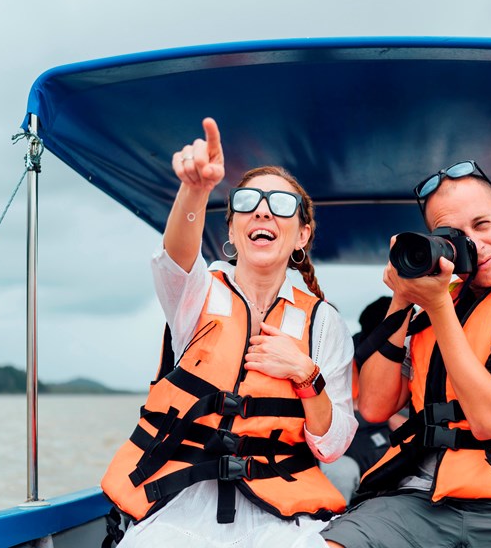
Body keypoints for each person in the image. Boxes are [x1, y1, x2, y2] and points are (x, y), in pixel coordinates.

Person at [101, 117, 357, 548]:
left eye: (280, 204)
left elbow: (332, 446)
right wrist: (197, 189)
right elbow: (174, 256)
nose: (263, 210)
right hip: (178, 505)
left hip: (278, 516)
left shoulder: (324, 323)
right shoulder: (195, 294)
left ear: (302, 236)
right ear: (234, 230)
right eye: (249, 201)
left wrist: (306, 377)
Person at [319, 160, 491, 548]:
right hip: (418, 501)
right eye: (454, 236)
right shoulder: (431, 310)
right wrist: (402, 297)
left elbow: (489, 419)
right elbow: (374, 406)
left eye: (482, 225)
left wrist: (437, 306)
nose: (475, 245)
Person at [321, 297, 407, 504]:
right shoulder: (305, 361)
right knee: (342, 470)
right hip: (335, 440)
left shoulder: (415, 355)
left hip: (377, 433)